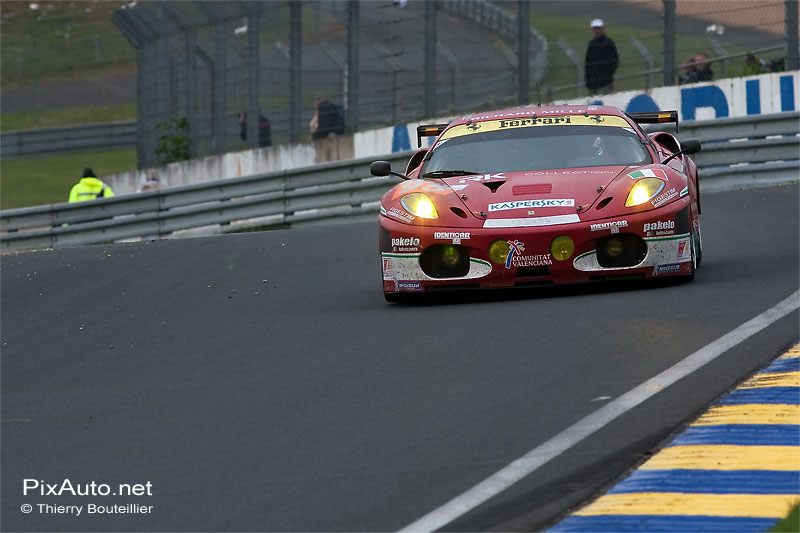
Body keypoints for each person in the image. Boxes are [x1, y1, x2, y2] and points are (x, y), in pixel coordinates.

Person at [584, 19, 619, 96]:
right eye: (594, 29)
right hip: (593, 82)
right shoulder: (591, 44)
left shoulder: (608, 43)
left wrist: (608, 74)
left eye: (598, 28)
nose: (596, 31)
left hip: (605, 82)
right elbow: (588, 63)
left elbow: (614, 60)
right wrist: (588, 80)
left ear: (603, 29)